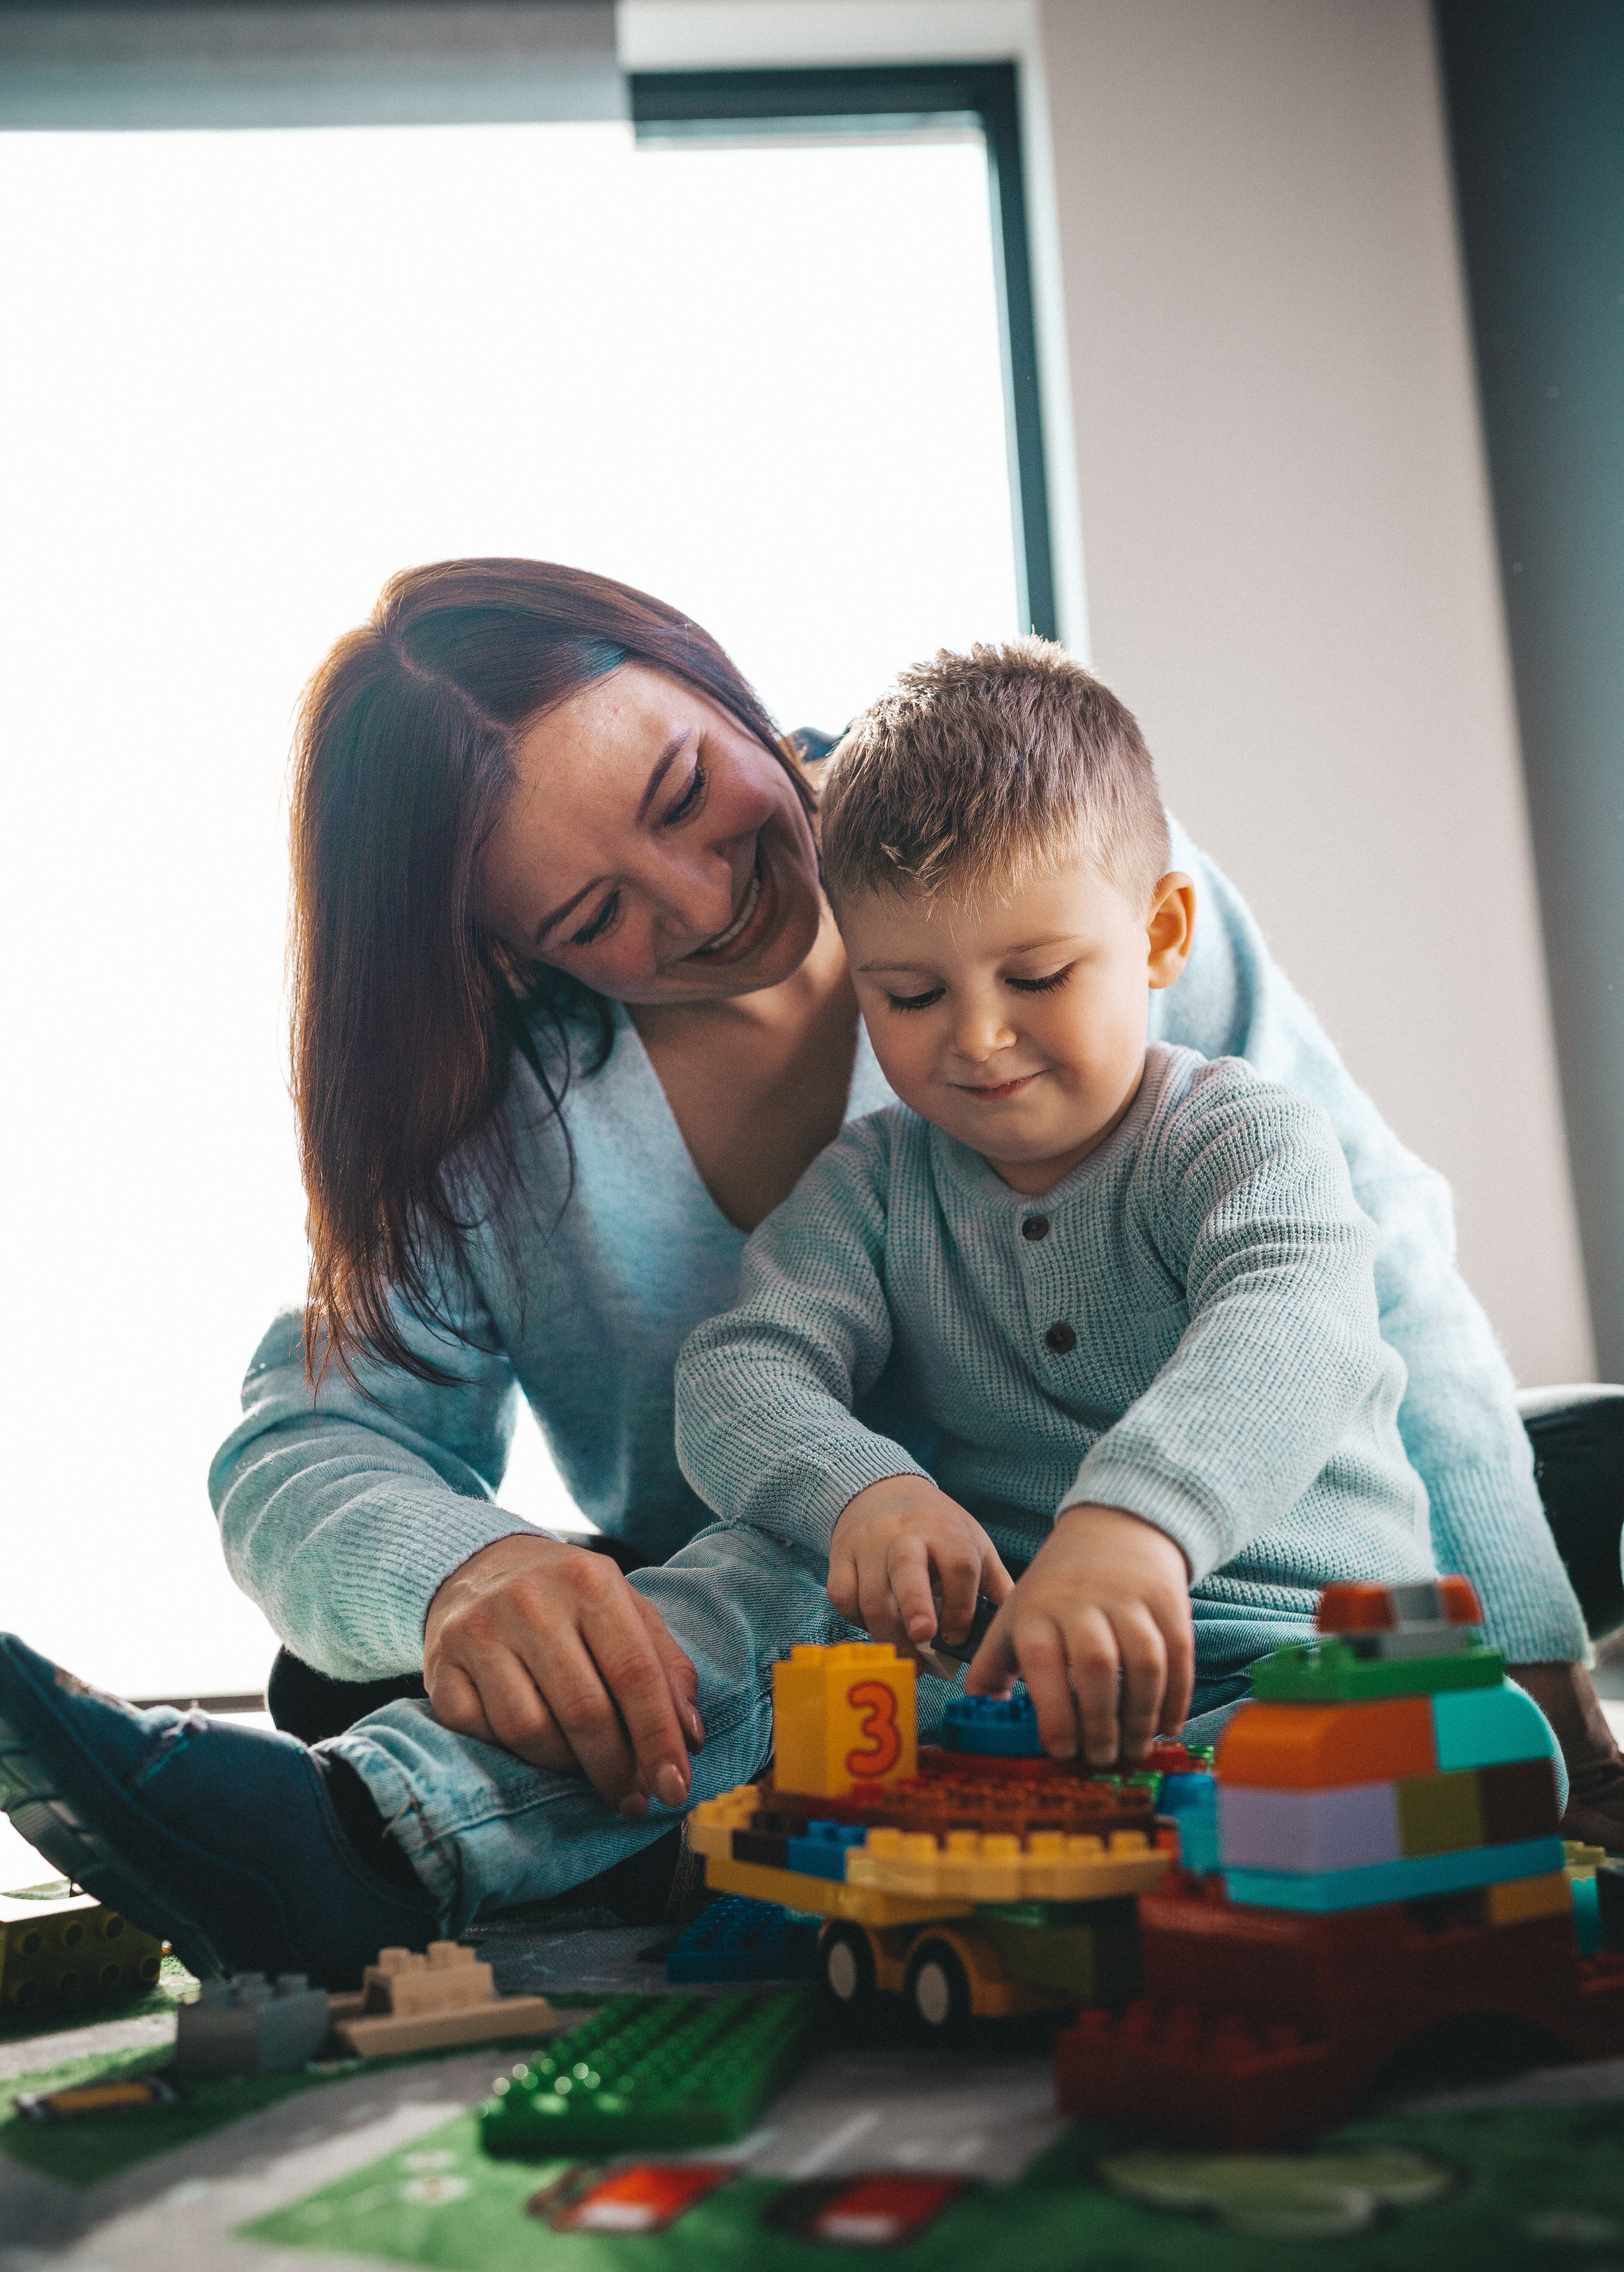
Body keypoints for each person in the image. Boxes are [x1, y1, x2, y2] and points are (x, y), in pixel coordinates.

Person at [0, 561, 1618, 1993]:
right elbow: (322, 1443)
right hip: (841, 1606)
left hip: (1260, 1546)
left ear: (711, 675)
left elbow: (1350, 1281)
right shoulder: (562, 1133)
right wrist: (464, 1575)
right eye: (595, 913)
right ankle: (349, 1836)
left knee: (1537, 1500)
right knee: (631, 1622)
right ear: (516, 955)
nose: (709, 897)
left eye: (688, 787)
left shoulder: (1048, 860)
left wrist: (1532, 1674)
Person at [676, 640, 1448, 1768]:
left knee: (1392, 1746)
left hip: (1317, 1650)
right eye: (913, 993)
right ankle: (408, 1819)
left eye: (1036, 977)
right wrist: (866, 1493)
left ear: (1162, 937)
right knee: (755, 1597)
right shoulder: (871, 1186)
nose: (979, 1038)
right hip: (1019, 1677)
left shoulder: (1243, 1136)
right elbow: (737, 1370)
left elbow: (1293, 1331)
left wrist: (1132, 1525)